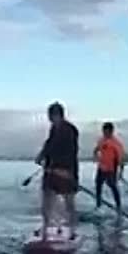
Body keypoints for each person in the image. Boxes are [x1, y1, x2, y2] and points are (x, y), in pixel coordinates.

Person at [36, 102, 80, 241]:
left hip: (66, 171)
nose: (50, 119)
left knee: (69, 202)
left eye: (51, 116)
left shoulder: (70, 130)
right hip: (51, 170)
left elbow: (71, 151)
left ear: (57, 115)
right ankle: (46, 227)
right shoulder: (53, 128)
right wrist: (41, 156)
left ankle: (72, 230)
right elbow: (49, 144)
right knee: (46, 199)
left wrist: (66, 171)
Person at [93, 122, 125, 211]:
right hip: (101, 168)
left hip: (111, 169)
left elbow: (121, 159)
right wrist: (96, 158)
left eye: (106, 131)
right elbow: (96, 150)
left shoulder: (116, 143)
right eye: (103, 131)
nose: (104, 133)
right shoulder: (101, 140)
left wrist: (121, 172)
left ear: (111, 131)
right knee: (98, 185)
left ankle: (118, 205)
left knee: (112, 186)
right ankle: (98, 204)